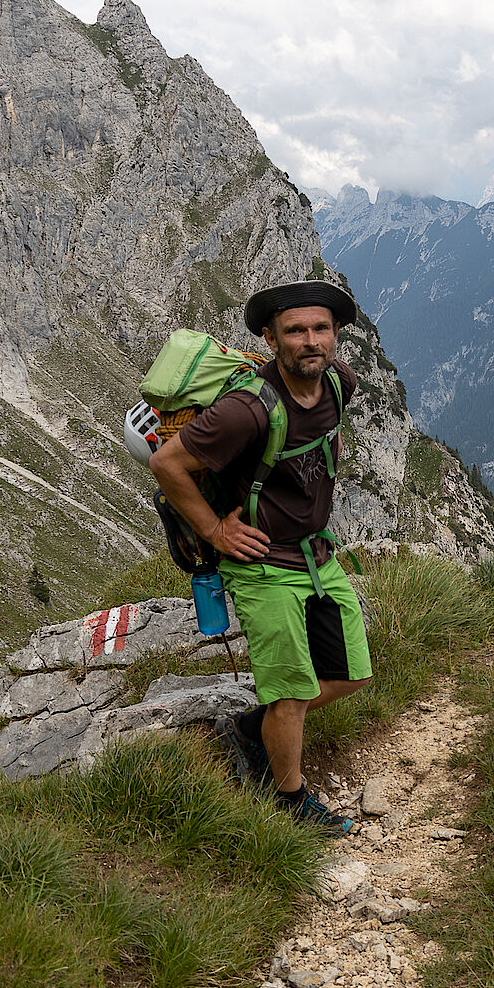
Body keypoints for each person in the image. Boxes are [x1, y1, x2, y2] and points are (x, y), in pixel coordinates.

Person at [149, 279, 372, 833]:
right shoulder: (246, 410)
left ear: (336, 335)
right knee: (293, 691)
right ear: (272, 340)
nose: (310, 341)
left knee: (351, 675)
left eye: (321, 328)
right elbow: (167, 466)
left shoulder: (338, 384)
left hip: (318, 556)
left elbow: (325, 439)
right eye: (295, 331)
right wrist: (215, 531)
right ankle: (290, 800)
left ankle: (252, 728)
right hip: (262, 565)